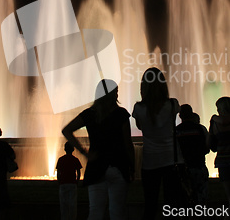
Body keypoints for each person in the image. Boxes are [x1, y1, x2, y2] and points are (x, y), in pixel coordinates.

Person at [62, 79, 135, 220]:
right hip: (118, 165)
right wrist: (132, 167)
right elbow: (127, 143)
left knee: (95, 211)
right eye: (116, 92)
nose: (117, 95)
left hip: (96, 166)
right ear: (113, 94)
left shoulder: (89, 114)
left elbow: (67, 130)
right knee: (117, 211)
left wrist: (84, 152)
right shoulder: (121, 114)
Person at [132, 67, 185, 220]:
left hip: (150, 162)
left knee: (150, 203)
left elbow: (141, 127)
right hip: (172, 160)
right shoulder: (173, 105)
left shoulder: (139, 108)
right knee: (173, 204)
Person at [175, 104, 209, 205]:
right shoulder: (201, 129)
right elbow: (207, 147)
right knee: (201, 197)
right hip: (199, 165)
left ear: (180, 116)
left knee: (185, 197)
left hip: (183, 168)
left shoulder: (176, 131)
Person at [56, 141, 82, 220]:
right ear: (73, 149)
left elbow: (58, 172)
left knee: (63, 204)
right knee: (72, 204)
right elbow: (79, 172)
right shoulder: (75, 159)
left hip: (63, 183)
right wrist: (77, 181)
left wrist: (59, 182)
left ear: (64, 149)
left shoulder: (60, 159)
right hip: (72, 183)